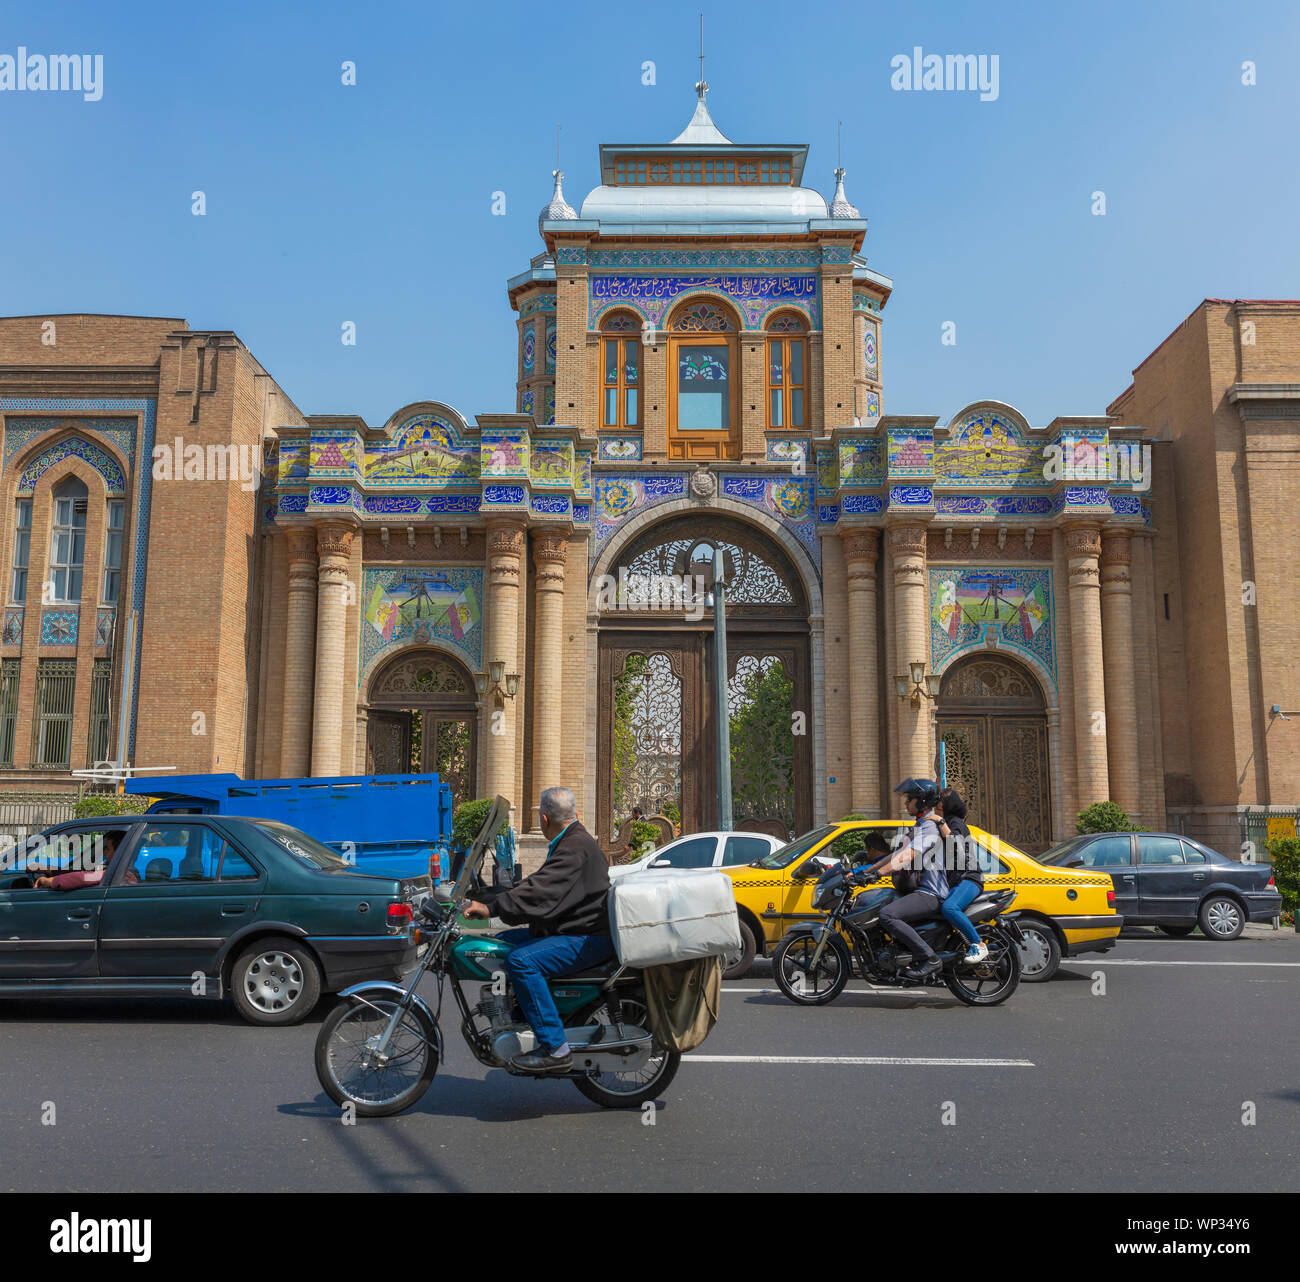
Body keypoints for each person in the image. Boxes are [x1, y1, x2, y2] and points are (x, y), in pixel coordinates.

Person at [464, 787, 613, 1074]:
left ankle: (556, 1049)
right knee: (504, 941)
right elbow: (539, 884)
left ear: (543, 819)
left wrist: (492, 909)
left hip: (588, 937)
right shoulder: (572, 840)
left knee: (521, 961)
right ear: (575, 814)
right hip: (575, 928)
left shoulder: (574, 846)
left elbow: (541, 890)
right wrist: (488, 897)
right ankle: (521, 1015)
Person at [858, 779, 948, 980]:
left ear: (922, 801)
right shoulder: (920, 825)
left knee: (887, 915)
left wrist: (881, 873)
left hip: (930, 892)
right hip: (919, 890)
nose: (906, 803)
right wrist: (867, 871)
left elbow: (909, 855)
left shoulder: (929, 828)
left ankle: (929, 958)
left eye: (910, 799)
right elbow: (898, 852)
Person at [936, 788, 988, 963]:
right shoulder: (947, 823)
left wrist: (940, 821)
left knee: (949, 908)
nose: (936, 804)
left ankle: (978, 944)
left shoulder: (955, 823)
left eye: (939, 801)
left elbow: (955, 845)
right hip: (956, 880)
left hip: (969, 878)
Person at [35, 831, 121, 890]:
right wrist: (46, 869)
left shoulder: (113, 873)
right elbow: (78, 871)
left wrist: (49, 881)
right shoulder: (116, 870)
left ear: (118, 852)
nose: (104, 851)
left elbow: (83, 877)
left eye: (108, 848)